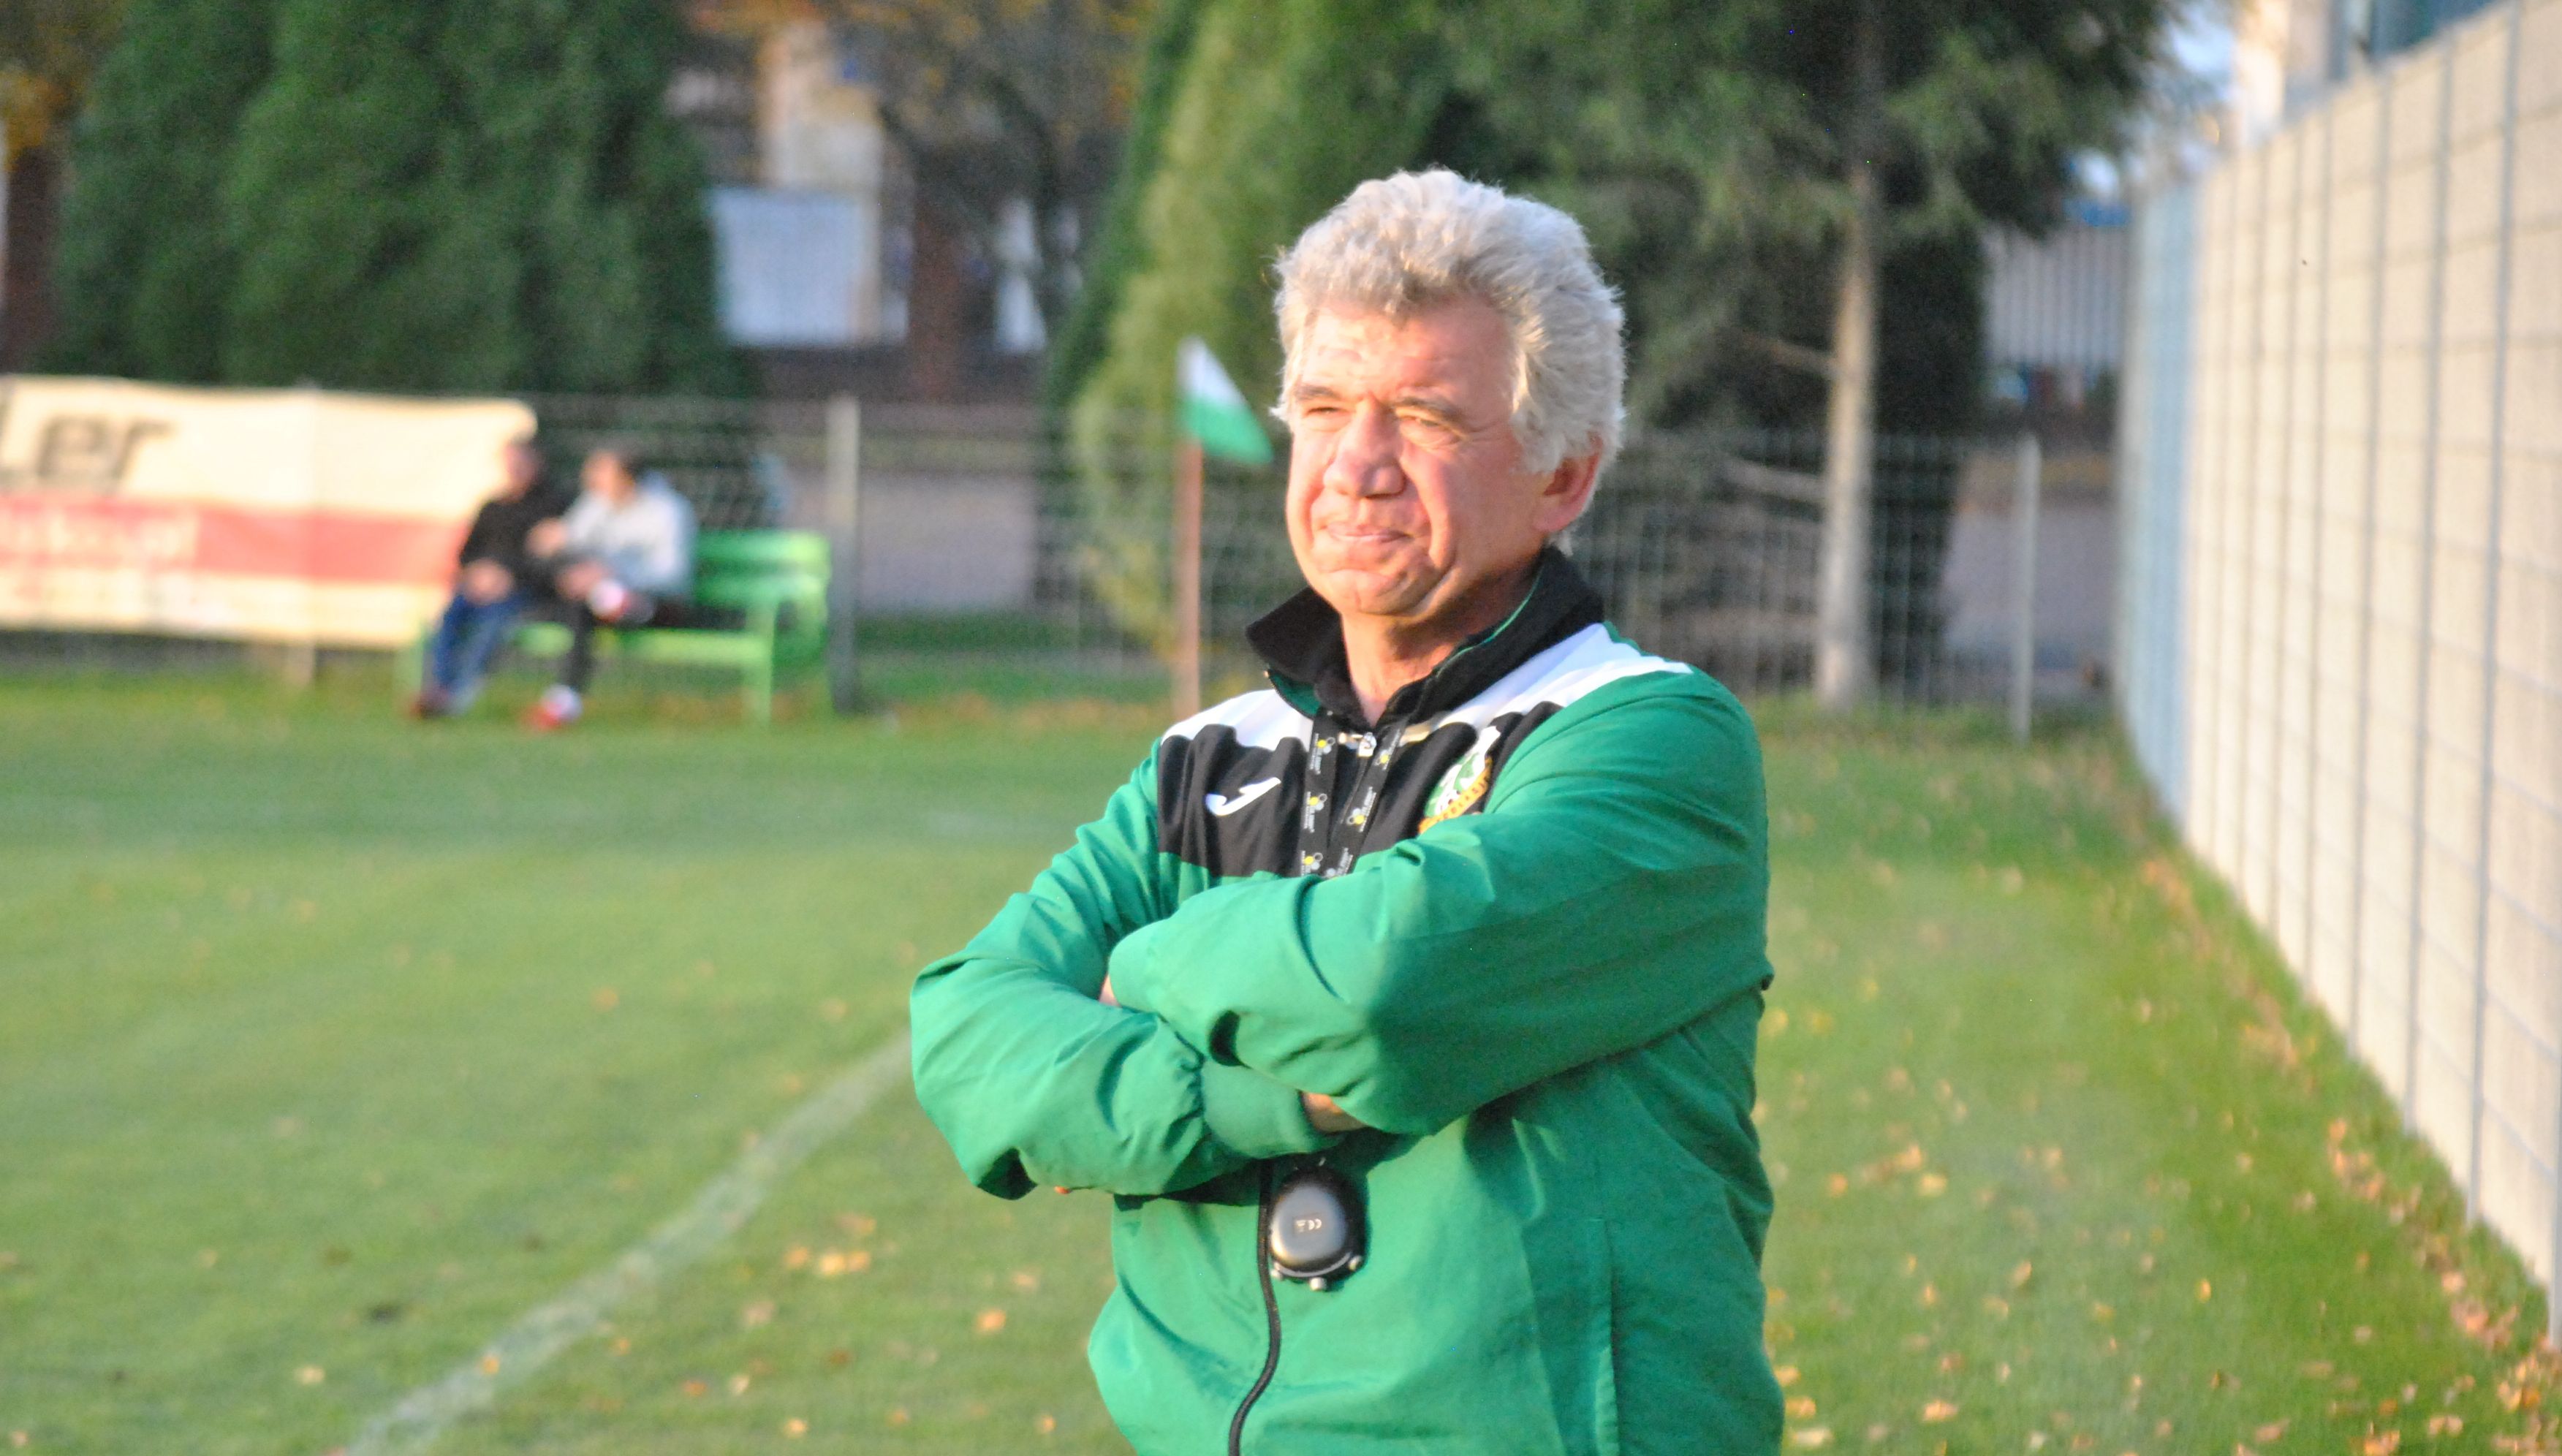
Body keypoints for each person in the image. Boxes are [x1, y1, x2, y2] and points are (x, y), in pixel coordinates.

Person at [910, 170, 1781, 1455]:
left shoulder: (1651, 739)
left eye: (1425, 417)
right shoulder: (1209, 757)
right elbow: (968, 1040)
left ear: (1563, 476)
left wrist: (1139, 969)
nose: (1356, 465)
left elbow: (1387, 987)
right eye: (1322, 407)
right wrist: (1268, 1100)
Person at [518, 444, 697, 730]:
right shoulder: (596, 503)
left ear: (626, 477)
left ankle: (564, 700)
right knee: (574, 586)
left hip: (658, 604)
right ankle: (609, 601)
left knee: (589, 598)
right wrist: (552, 540)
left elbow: (671, 574)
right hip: (597, 601)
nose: (590, 479)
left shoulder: (669, 510)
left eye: (600, 472)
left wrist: (615, 573)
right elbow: (572, 541)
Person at [411, 434, 566, 719]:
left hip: (525, 590)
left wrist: (508, 576)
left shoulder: (554, 505)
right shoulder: (493, 506)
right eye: (510, 464)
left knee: (492, 624)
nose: (514, 470)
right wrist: (477, 574)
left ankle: (458, 694)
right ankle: (439, 688)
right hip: (480, 587)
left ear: (536, 463)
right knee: (450, 617)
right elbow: (467, 553)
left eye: (520, 463)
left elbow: (549, 558)